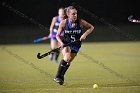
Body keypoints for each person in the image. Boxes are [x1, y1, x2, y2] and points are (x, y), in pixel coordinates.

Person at [54, 6, 94, 85]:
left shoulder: (80, 22)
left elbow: (91, 27)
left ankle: (62, 76)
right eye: (73, 14)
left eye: (76, 14)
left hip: (76, 44)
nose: (75, 15)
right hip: (66, 43)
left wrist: (85, 34)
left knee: (69, 62)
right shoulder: (64, 23)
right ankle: (57, 76)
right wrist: (61, 43)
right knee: (67, 56)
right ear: (68, 14)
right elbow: (57, 35)